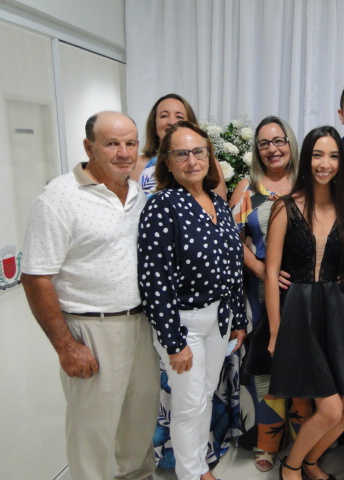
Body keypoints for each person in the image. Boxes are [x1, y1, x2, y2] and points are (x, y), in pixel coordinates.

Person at [21, 111, 160, 480]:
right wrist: (66, 347)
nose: (124, 153)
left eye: (130, 143)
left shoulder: (137, 193)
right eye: (112, 143)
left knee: (139, 424)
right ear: (89, 147)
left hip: (140, 324)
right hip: (91, 328)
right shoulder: (60, 197)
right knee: (92, 434)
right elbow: (35, 277)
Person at [138, 120, 247, 480]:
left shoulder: (216, 201)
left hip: (219, 319)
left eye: (199, 152)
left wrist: (239, 320)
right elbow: (154, 280)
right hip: (183, 324)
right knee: (188, 405)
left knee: (204, 397)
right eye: (181, 154)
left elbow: (232, 264)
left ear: (209, 156)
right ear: (167, 162)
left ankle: (199, 467)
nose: (192, 160)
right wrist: (174, 342)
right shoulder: (161, 206)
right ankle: (191, 473)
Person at [265, 126, 344, 480]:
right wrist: (275, 331)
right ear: (306, 158)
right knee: (330, 409)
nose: (325, 164)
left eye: (334, 156)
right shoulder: (284, 207)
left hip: (336, 313)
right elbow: (271, 273)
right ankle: (291, 466)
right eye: (318, 155)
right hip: (298, 314)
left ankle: (310, 462)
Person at [229, 116, 312, 472]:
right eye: (264, 143)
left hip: (304, 293)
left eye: (279, 141)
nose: (272, 149)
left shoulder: (308, 183)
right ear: (256, 149)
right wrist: (264, 271)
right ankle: (267, 443)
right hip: (260, 292)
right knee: (265, 365)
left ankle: (302, 442)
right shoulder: (247, 189)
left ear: (290, 143)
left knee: (303, 364)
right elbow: (233, 241)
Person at [136, 93, 226, 199]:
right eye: (164, 116)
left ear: (190, 125)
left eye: (179, 116)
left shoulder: (207, 163)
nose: (172, 122)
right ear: (154, 125)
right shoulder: (138, 164)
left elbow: (219, 205)